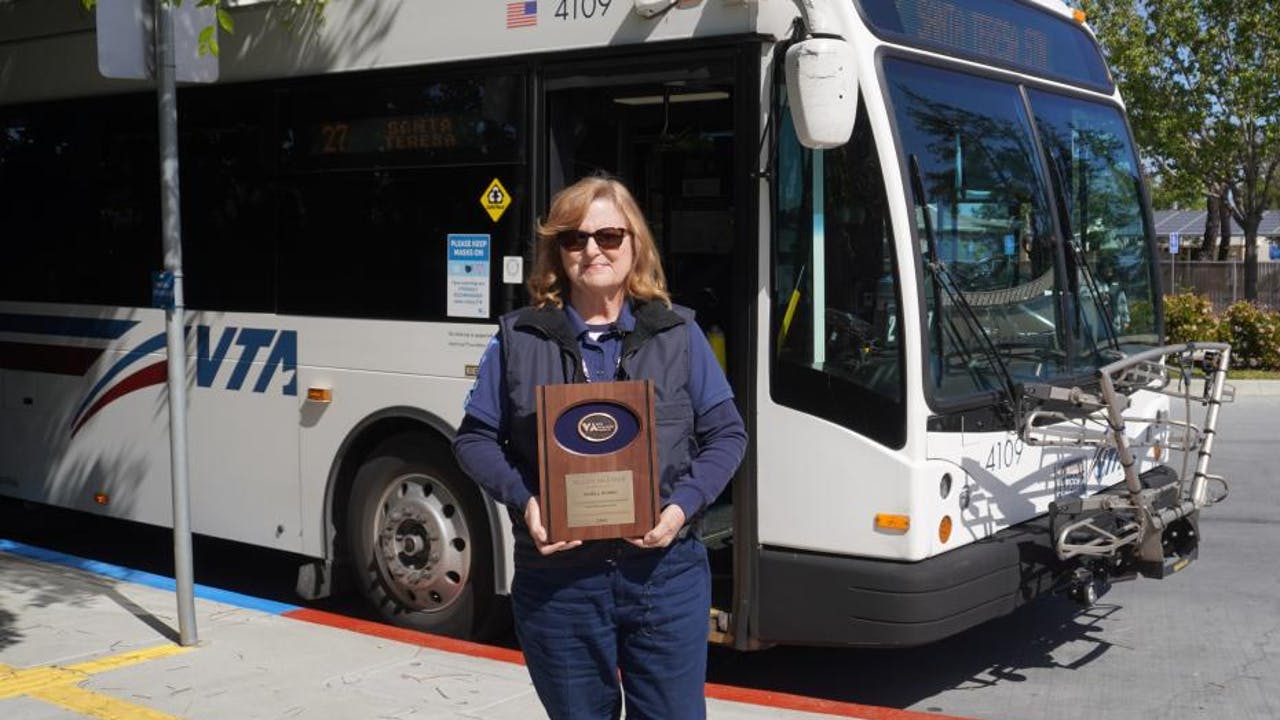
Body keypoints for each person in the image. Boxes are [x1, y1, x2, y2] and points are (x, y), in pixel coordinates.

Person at [452, 175, 747, 720]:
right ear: (557, 252)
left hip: (665, 576)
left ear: (635, 244)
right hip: (560, 586)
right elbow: (473, 440)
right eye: (574, 238)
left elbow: (727, 435)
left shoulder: (679, 334)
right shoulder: (519, 338)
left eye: (609, 236)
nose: (592, 250)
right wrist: (526, 500)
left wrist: (681, 507)